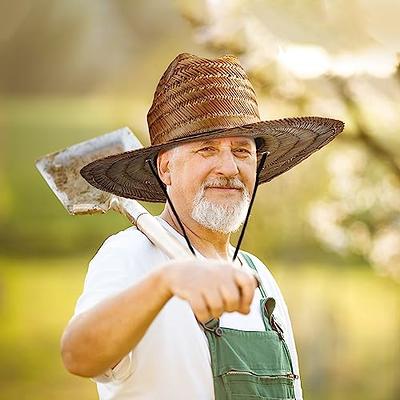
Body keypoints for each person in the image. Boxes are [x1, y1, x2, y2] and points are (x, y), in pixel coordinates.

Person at [61, 53, 344, 400]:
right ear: (166, 169)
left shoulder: (260, 279)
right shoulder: (131, 254)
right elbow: (78, 355)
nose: (228, 167)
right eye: (207, 149)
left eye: (242, 151)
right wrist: (167, 281)